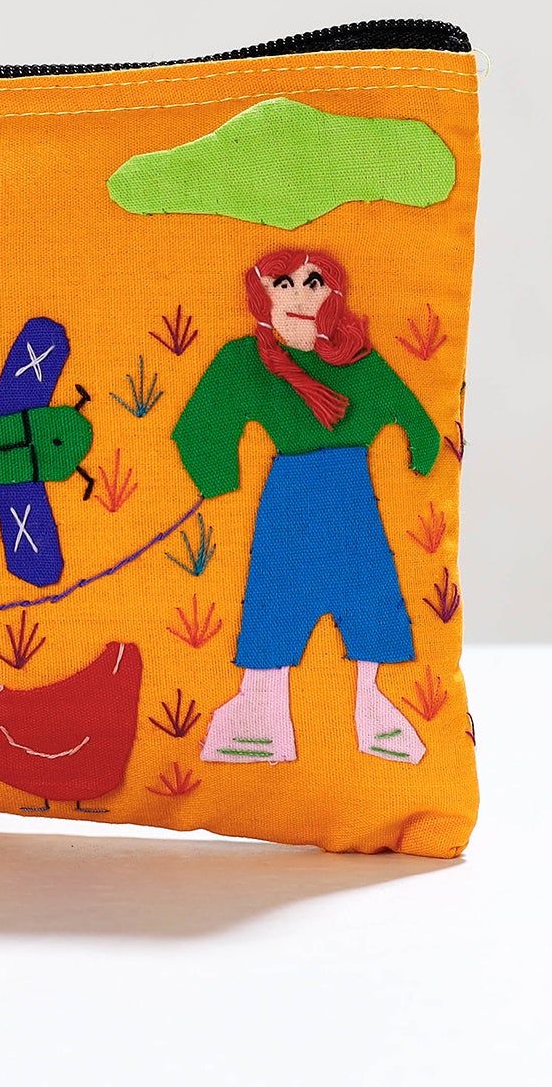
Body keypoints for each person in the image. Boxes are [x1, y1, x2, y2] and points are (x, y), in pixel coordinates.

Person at [169, 247, 441, 766]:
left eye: (312, 284)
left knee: (368, 598)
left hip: (351, 496)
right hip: (290, 498)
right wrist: (217, 480)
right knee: (278, 600)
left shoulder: (357, 360)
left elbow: (413, 418)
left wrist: (423, 455)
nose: (297, 296)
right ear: (262, 296)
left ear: (332, 294)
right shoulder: (246, 360)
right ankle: (258, 720)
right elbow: (199, 426)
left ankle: (375, 714)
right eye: (282, 284)